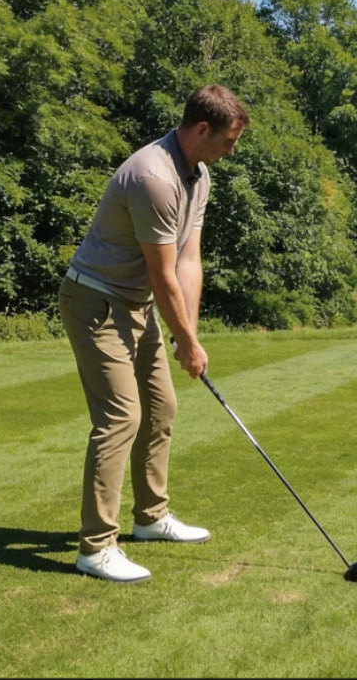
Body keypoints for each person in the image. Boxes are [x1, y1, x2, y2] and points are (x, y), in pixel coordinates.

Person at [58, 84, 248, 584]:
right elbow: (161, 272)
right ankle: (96, 547)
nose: (232, 151)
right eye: (228, 141)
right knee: (121, 416)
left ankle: (150, 518)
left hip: (136, 304)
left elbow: (188, 260)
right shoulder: (153, 177)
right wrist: (185, 341)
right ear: (201, 129)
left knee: (161, 407)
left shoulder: (198, 174)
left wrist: (192, 336)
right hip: (95, 301)